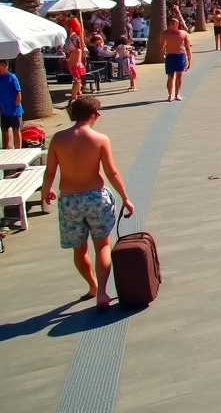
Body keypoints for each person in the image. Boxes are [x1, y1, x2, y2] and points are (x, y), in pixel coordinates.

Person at [41, 97, 133, 308]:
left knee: (79, 250)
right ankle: (102, 292)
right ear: (93, 115)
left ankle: (92, 285)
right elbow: (112, 172)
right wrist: (125, 197)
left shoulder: (58, 139)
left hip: (70, 201)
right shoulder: (100, 139)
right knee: (103, 246)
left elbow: (50, 171)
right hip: (96, 198)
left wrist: (46, 192)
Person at [160, 16, 192, 102]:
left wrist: (189, 59)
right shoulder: (164, 34)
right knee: (170, 76)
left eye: (176, 23)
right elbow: (162, 46)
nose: (174, 25)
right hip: (170, 56)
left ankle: (177, 94)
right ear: (169, 24)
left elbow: (187, 46)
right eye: (172, 23)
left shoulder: (183, 33)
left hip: (180, 56)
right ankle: (170, 95)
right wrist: (162, 54)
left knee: (179, 75)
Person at [0, 59, 22, 148]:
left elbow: (18, 92)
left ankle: (18, 150)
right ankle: (6, 150)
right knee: (4, 131)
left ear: (6, 66)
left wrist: (17, 104)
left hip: (14, 110)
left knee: (16, 130)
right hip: (4, 111)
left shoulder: (12, 77)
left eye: (2, 66)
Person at [66, 37, 86, 103]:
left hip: (74, 67)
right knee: (78, 80)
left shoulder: (75, 51)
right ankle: (78, 92)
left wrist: (65, 60)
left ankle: (74, 95)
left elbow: (71, 60)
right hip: (79, 66)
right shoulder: (79, 50)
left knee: (76, 81)